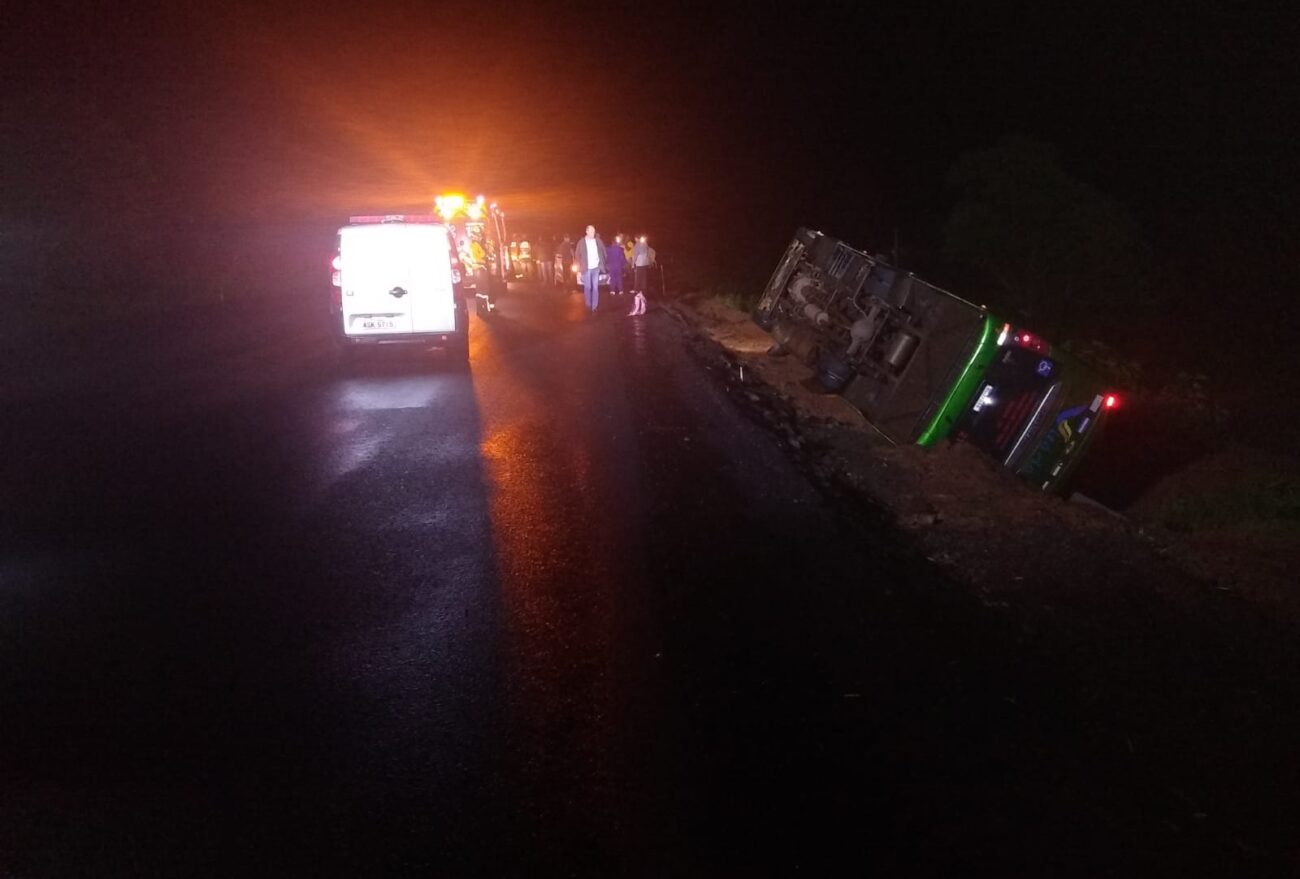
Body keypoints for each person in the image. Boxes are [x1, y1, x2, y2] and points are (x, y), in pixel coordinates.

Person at [575, 225, 606, 313]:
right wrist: (579, 268)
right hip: (586, 268)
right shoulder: (581, 242)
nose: (593, 233)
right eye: (591, 231)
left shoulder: (598, 241)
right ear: (587, 231)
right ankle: (588, 303)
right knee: (588, 287)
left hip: (596, 268)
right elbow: (577, 255)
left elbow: (603, 251)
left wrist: (602, 263)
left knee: (595, 288)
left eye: (594, 231)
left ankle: (594, 306)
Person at [630, 234, 653, 315]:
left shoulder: (637, 245)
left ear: (636, 238)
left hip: (639, 263)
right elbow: (647, 252)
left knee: (638, 277)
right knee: (644, 277)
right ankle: (644, 288)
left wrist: (633, 264)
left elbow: (635, 255)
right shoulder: (645, 243)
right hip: (645, 263)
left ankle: (637, 289)